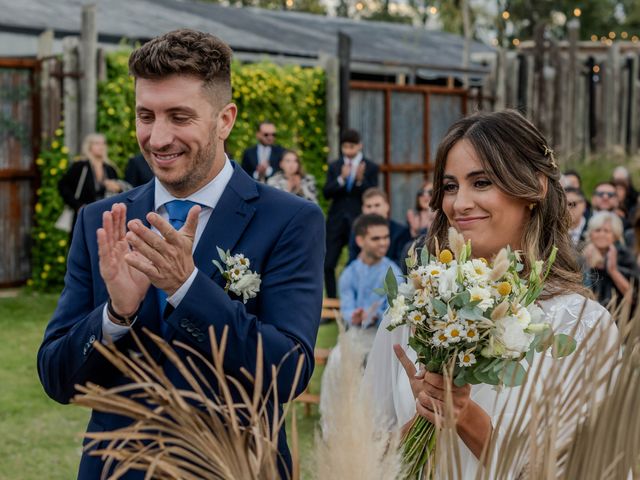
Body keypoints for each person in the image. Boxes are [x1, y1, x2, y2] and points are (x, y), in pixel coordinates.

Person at [37, 29, 324, 480]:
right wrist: (116, 314)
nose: (157, 137)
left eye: (179, 116)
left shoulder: (289, 220)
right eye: (145, 115)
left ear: (224, 120)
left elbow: (288, 372)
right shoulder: (101, 219)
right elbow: (56, 377)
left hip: (234, 469)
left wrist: (187, 288)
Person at [363, 110, 618, 477]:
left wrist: (465, 416)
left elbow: (584, 470)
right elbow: (366, 458)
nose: (459, 203)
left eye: (481, 182)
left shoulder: (580, 327)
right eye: (450, 186)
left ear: (534, 188)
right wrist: (425, 415)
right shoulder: (414, 311)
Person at [323, 129, 379, 298]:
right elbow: (327, 193)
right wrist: (341, 178)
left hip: (359, 221)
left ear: (359, 146)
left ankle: (356, 302)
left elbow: (373, 194)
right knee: (328, 264)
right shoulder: (335, 166)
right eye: (345, 147)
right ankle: (332, 303)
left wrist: (360, 180)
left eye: (352, 146)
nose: (348, 151)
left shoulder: (371, 167)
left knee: (356, 263)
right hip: (336, 221)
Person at [340, 214, 402, 332]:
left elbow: (396, 313)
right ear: (360, 240)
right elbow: (346, 308)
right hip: (354, 334)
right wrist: (354, 316)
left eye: (386, 237)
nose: (383, 243)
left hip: (384, 337)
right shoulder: (349, 273)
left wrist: (376, 317)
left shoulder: (394, 273)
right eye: (376, 238)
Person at [58, 133, 125, 232]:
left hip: (105, 217)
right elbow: (63, 185)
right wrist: (78, 206)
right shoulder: (80, 166)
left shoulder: (110, 168)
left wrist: (118, 188)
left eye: (103, 143)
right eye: (97, 143)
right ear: (89, 146)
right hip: (84, 216)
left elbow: (119, 193)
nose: (101, 146)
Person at [582, 211, 639, 307]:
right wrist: (586, 266)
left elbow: (634, 298)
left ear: (615, 236)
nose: (601, 234)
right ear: (591, 234)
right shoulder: (580, 255)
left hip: (619, 315)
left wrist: (613, 271)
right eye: (597, 230)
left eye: (607, 231)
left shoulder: (625, 256)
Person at [347, 187, 411, 267]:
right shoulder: (357, 232)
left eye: (377, 205)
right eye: (368, 206)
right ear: (363, 209)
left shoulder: (401, 232)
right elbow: (351, 262)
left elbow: (403, 264)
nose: (373, 210)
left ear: (387, 206)